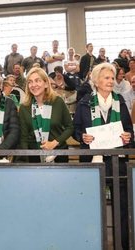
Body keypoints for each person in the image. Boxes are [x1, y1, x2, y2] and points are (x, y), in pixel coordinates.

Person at [73, 62, 133, 250]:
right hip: (93, 164)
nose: (110, 81)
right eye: (106, 78)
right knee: (91, 208)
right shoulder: (84, 102)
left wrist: (127, 137)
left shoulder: (121, 101)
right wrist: (82, 136)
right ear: (96, 81)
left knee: (122, 209)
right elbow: (76, 130)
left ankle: (123, 245)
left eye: (112, 78)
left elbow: (129, 131)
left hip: (117, 163)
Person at [19, 67, 73, 163]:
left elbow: (70, 127)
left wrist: (54, 143)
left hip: (58, 154)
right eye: (30, 82)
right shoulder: (24, 107)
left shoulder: (57, 101)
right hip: (34, 157)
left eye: (37, 81)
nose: (33, 85)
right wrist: (25, 160)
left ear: (46, 84)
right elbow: (23, 137)